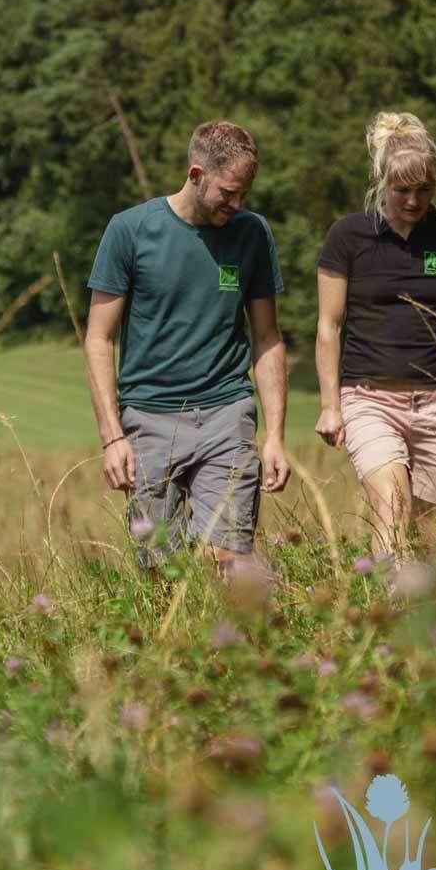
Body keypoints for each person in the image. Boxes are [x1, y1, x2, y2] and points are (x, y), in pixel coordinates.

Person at [84, 121, 290, 577]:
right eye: (228, 193)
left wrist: (274, 435)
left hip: (226, 414)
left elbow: (267, 338)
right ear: (196, 175)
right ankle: (171, 648)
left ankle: (241, 646)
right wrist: (112, 436)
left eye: (245, 194)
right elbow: (99, 338)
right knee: (162, 570)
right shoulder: (130, 231)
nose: (237, 205)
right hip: (149, 421)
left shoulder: (252, 233)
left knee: (233, 561)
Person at [314, 111, 436, 565]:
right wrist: (330, 405)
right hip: (370, 401)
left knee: (431, 533)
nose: (413, 200)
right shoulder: (347, 237)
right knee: (392, 506)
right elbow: (329, 326)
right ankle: (383, 616)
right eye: (402, 190)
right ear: (381, 182)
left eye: (423, 189)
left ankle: (425, 621)